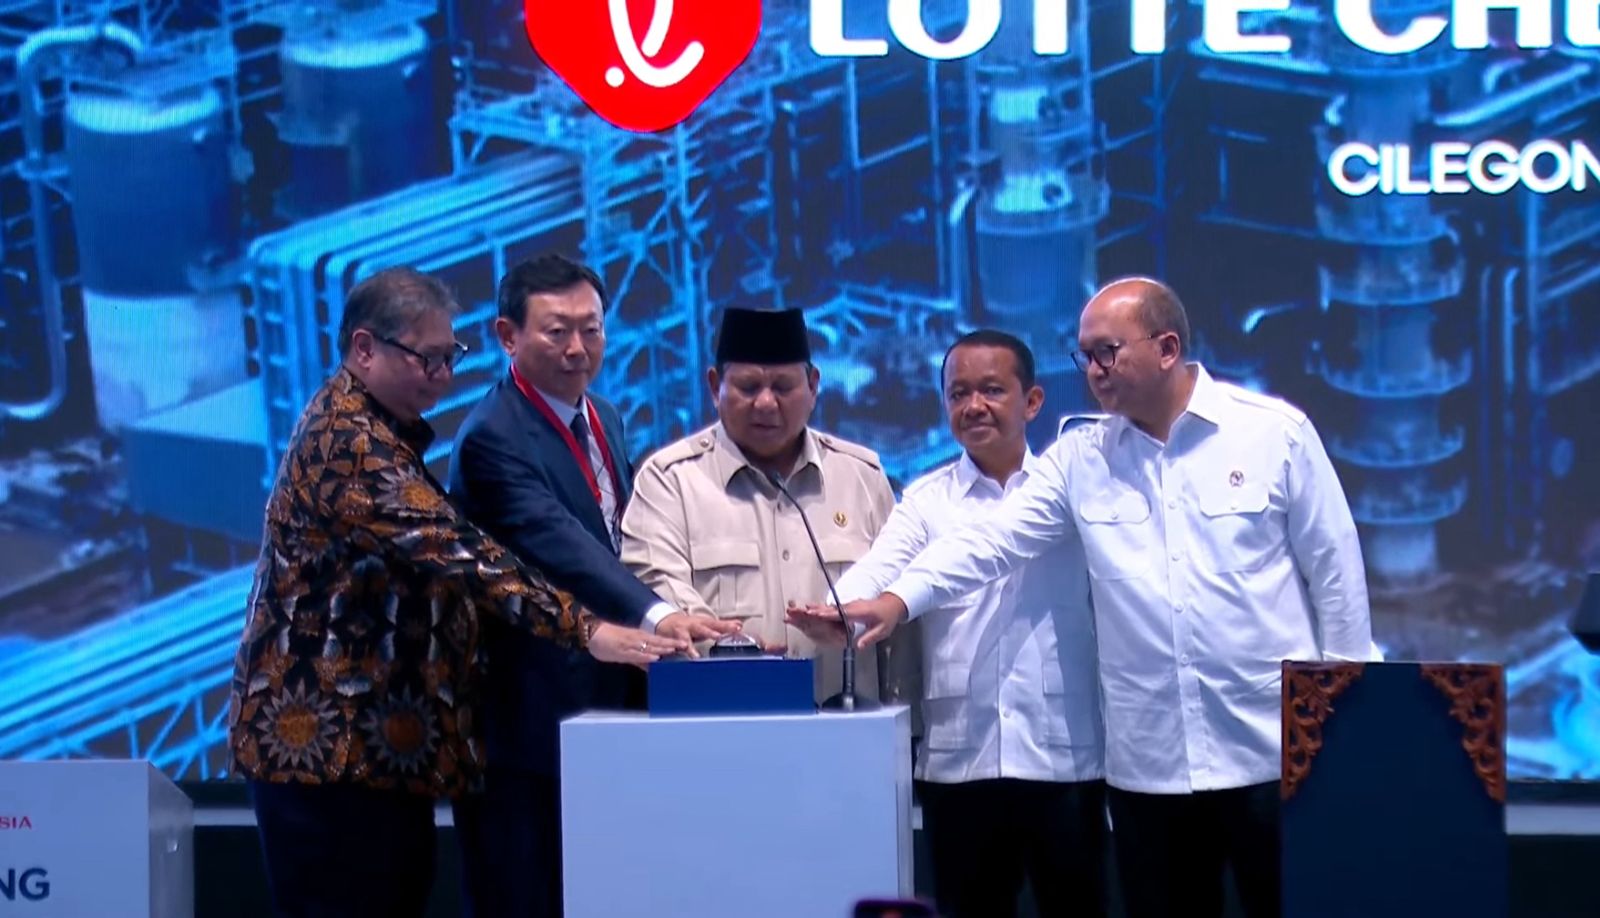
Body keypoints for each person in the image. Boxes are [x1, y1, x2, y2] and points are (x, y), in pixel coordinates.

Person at [810, 278, 1375, 918]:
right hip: (1151, 770)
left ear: (1167, 348)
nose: (1094, 371)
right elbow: (989, 543)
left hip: (1271, 749)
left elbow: (1335, 574)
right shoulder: (1080, 458)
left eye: (1108, 352)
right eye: (1085, 356)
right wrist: (894, 602)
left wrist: (1345, 719)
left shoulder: (1274, 434)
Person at [227, 267, 683, 918]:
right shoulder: (348, 442)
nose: (442, 377)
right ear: (364, 348)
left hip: (377, 750)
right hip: (324, 751)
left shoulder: (384, 428)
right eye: (427, 359)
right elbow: (462, 555)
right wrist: (589, 629)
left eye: (450, 357)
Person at [448, 254, 736, 917]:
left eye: (592, 329)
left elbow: (619, 536)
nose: (578, 348)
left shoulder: (603, 413)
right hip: (528, 723)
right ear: (507, 335)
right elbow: (563, 544)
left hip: (611, 709)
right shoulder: (492, 437)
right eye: (557, 331)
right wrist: (657, 613)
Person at [822, 330, 1108, 917]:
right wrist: (836, 608)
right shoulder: (928, 499)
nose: (973, 406)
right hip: (960, 758)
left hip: (1065, 753)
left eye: (991, 390)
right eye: (958, 394)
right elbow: (880, 566)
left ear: (1032, 401)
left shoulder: (1074, 492)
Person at [620, 307, 903, 703]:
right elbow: (653, 587)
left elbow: (899, 611)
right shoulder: (670, 481)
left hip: (847, 727)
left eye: (783, 387)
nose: (766, 403)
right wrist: (731, 647)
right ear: (715, 386)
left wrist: (908, 725)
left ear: (813, 386)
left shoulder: (862, 477)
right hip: (718, 721)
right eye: (748, 387)